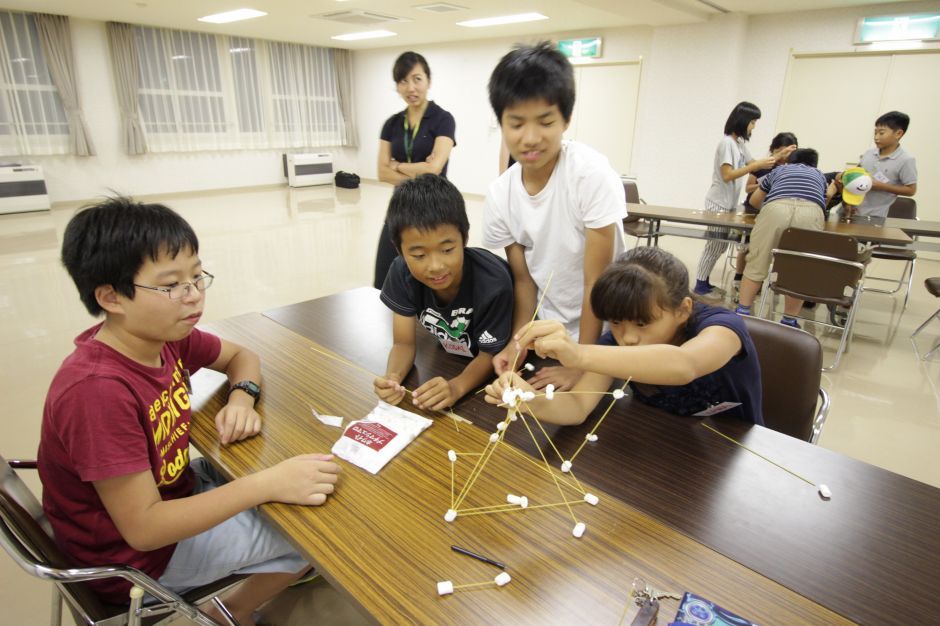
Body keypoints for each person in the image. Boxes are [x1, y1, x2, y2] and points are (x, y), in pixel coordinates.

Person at [38, 197, 340, 626]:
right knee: (311, 537)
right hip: (135, 558)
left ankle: (266, 561)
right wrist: (266, 485)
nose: (194, 296)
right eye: (171, 285)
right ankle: (230, 613)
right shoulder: (97, 391)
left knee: (290, 484)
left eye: (197, 277)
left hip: (171, 489)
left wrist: (242, 397)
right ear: (111, 296)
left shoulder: (163, 336)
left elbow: (243, 356)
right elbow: (145, 528)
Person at [482, 41, 626, 392]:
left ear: (566, 119)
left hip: (610, 333)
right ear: (501, 122)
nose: (530, 138)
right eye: (516, 123)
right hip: (548, 336)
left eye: (545, 121)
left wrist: (581, 360)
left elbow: (597, 281)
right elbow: (525, 282)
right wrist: (518, 345)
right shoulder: (501, 195)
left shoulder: (589, 175)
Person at [485, 247, 763, 425]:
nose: (627, 338)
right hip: (665, 447)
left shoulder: (723, 327)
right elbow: (578, 405)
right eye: (616, 322)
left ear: (682, 310)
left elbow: (685, 365)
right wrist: (528, 398)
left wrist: (578, 354)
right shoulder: (614, 343)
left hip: (737, 453)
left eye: (642, 323)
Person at [374, 175, 513, 411]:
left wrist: (456, 387)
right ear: (400, 251)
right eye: (419, 255)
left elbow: (490, 354)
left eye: (447, 249)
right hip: (448, 355)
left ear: (465, 238)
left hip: (500, 364)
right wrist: (393, 378)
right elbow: (404, 343)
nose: (436, 266)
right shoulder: (401, 271)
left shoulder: (493, 283)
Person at [374, 51, 456, 290]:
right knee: (384, 274)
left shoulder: (442, 119)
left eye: (417, 79)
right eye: (403, 81)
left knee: (430, 273)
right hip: (400, 205)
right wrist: (419, 169)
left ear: (428, 81)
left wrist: (398, 165)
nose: (411, 87)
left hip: (434, 207)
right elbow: (381, 172)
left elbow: (434, 169)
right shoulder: (391, 124)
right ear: (397, 86)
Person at [734, 149, 836, 328]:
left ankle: (742, 311)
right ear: (815, 163)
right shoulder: (819, 175)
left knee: (757, 260)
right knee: (800, 268)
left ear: (789, 161)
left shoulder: (779, 170)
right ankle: (789, 320)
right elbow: (823, 201)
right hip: (810, 213)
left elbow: (755, 201)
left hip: (776, 208)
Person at [693, 102, 776, 296]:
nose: (754, 127)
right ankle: (700, 285)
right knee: (714, 245)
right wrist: (759, 164)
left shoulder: (738, 144)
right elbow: (727, 174)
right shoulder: (727, 143)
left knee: (720, 245)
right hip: (717, 203)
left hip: (728, 204)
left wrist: (775, 157)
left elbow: (753, 165)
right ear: (743, 121)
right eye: (753, 122)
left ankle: (704, 282)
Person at [734, 132, 798, 292]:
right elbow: (748, 187)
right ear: (774, 149)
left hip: (776, 212)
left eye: (789, 152)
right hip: (754, 209)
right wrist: (767, 184)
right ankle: (739, 277)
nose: (785, 155)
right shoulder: (762, 164)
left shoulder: (793, 169)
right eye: (782, 151)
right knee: (748, 245)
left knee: (773, 247)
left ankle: (764, 282)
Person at [850, 110, 917, 220]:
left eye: (881, 133)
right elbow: (856, 175)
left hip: (874, 216)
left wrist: (881, 186)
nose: (876, 137)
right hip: (851, 210)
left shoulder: (906, 160)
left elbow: (911, 190)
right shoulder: (869, 153)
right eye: (875, 133)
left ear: (898, 134)